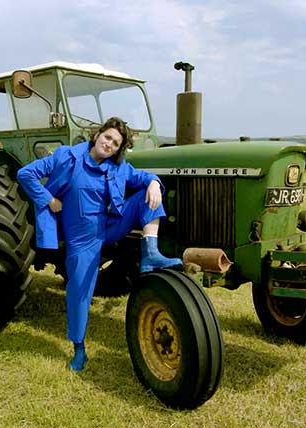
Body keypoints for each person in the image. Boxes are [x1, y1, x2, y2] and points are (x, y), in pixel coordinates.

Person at [17, 117, 182, 372]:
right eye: (108, 138)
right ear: (97, 135)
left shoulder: (118, 168)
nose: (110, 145)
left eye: (116, 144)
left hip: (110, 228)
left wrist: (153, 183)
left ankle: (151, 252)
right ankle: (79, 348)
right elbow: (25, 174)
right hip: (82, 240)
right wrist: (49, 200)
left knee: (147, 195)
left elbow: (142, 176)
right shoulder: (65, 157)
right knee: (80, 290)